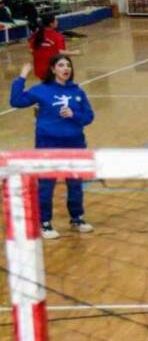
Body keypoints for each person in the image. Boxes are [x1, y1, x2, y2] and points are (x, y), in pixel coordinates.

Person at [9, 56, 95, 239]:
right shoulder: (41, 90)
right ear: (53, 69)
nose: (66, 68)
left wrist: (74, 114)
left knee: (75, 184)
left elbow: (88, 117)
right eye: (61, 65)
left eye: (68, 65)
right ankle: (45, 222)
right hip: (48, 145)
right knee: (47, 185)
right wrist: (22, 77)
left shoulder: (78, 92)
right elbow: (16, 101)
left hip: (75, 144)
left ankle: (77, 218)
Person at [30, 13, 81, 82]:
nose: (57, 22)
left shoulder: (36, 35)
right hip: (53, 70)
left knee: (47, 88)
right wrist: (75, 53)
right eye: (56, 20)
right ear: (51, 24)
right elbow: (61, 52)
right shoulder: (57, 36)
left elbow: (31, 50)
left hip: (39, 69)